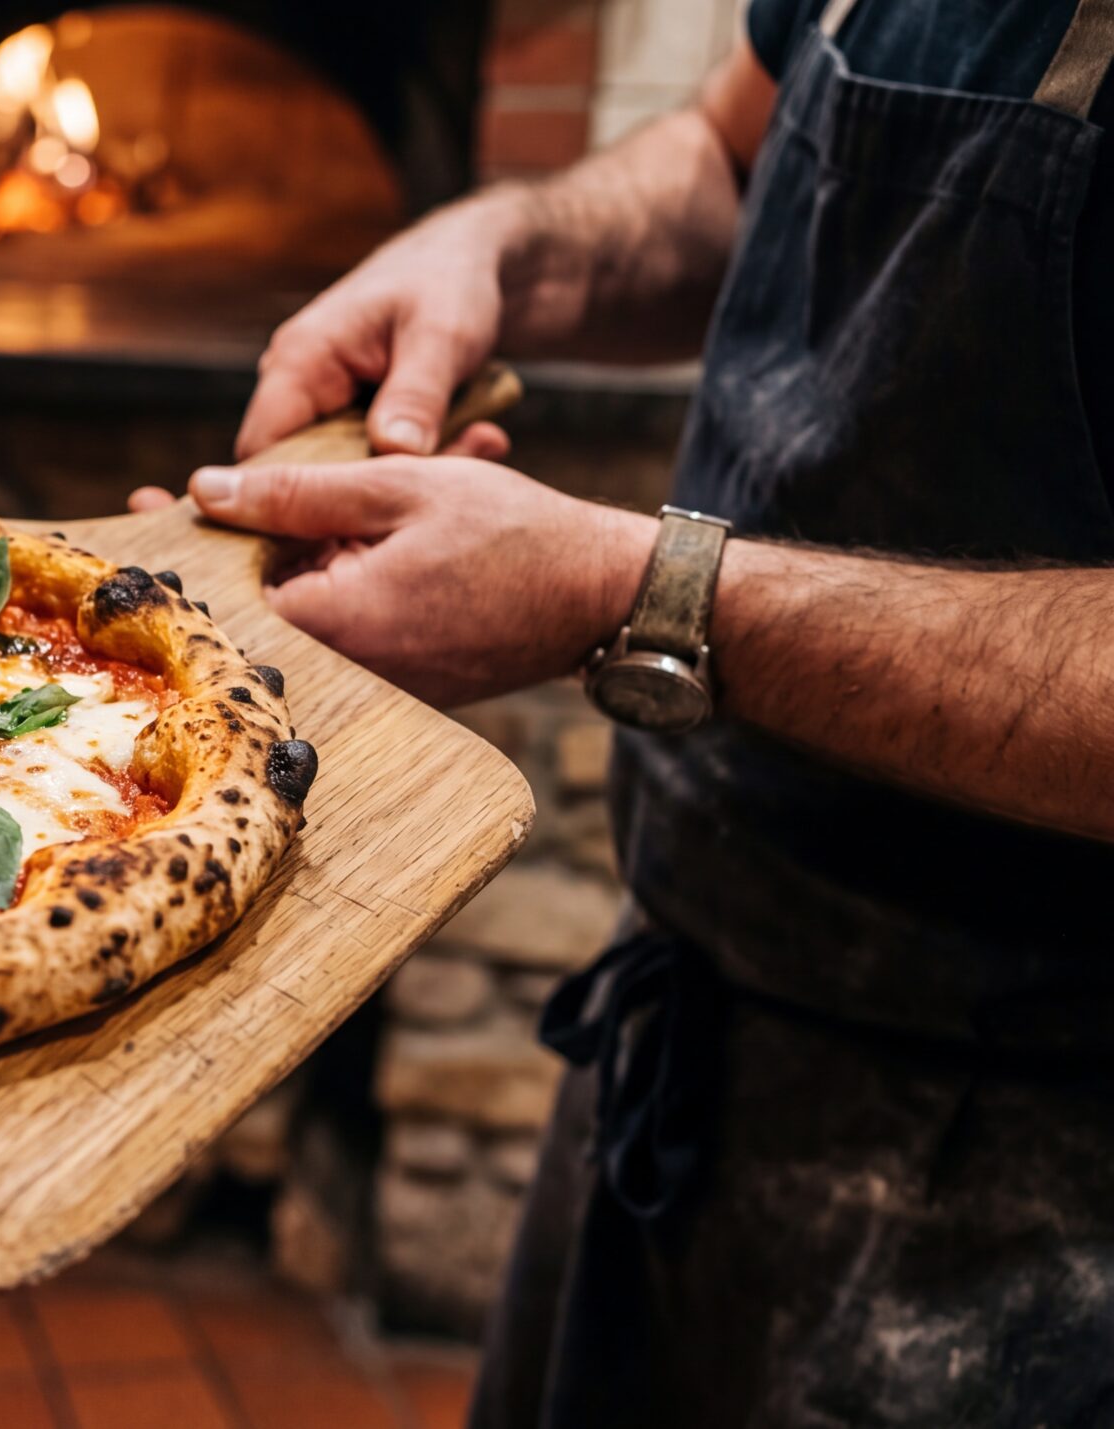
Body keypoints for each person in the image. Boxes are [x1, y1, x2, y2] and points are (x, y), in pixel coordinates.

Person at [134, 0, 1114, 1422]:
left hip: (1041, 1185)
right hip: (698, 1013)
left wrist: (644, 591)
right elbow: (734, 161)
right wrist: (498, 247)